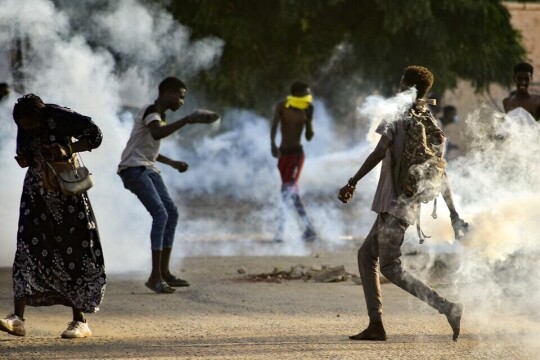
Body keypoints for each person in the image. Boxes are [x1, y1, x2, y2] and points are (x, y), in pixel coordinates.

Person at [338, 66, 468, 342]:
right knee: (365, 255)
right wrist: (454, 214)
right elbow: (441, 174)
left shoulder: (397, 115)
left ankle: (447, 307)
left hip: (393, 205)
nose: (397, 89)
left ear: (408, 88)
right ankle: (376, 325)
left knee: (390, 267)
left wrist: (352, 181)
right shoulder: (430, 122)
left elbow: (378, 151)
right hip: (406, 206)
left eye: (401, 84)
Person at [0, 94, 106, 339]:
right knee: (26, 250)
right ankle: (18, 319)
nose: (28, 129)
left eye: (32, 124)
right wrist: (25, 158)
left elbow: (95, 135)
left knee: (74, 252)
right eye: (25, 126)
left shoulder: (60, 116)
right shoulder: (22, 122)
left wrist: (67, 148)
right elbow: (25, 153)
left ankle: (80, 321)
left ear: (41, 116)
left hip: (66, 194)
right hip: (35, 196)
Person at [117, 76, 219, 294]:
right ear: (169, 93)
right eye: (180, 97)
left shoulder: (158, 116)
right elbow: (156, 133)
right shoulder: (151, 112)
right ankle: (155, 276)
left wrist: (172, 163)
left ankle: (164, 272)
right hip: (134, 170)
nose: (181, 101)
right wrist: (187, 120)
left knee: (171, 213)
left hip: (147, 168)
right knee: (161, 214)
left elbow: (148, 147)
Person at [270, 81, 317, 243]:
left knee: (287, 191)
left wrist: (309, 120)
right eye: (305, 93)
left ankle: (281, 231)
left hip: (297, 155)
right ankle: (309, 229)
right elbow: (274, 126)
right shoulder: (282, 106)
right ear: (296, 94)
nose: (308, 97)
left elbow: (309, 137)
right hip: (283, 155)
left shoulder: (307, 109)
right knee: (290, 193)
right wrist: (272, 144)